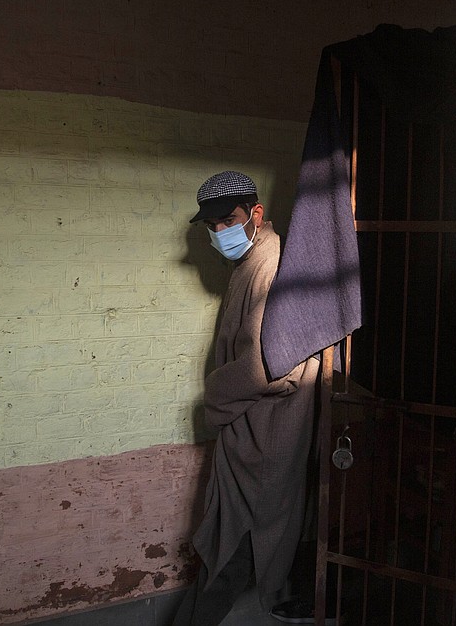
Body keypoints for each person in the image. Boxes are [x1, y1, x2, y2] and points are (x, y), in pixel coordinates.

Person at [172, 171, 323, 626]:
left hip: (267, 439)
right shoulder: (251, 260)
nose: (220, 233)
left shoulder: (271, 264)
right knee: (231, 555)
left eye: (228, 221)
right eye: (212, 227)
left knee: (232, 555)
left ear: (255, 213)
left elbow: (273, 365)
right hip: (250, 437)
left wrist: (213, 393)